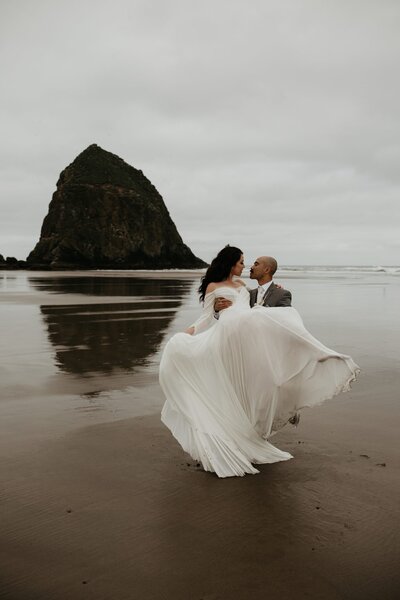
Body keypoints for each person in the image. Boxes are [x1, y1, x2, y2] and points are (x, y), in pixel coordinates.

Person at [159, 246, 359, 478]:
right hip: (225, 339)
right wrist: (189, 331)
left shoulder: (245, 288)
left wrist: (277, 291)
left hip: (246, 342)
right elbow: (206, 318)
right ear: (231, 263)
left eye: (249, 262)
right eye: (242, 262)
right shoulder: (214, 287)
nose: (245, 266)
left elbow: (261, 308)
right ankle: (232, 433)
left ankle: (318, 354)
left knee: (251, 381)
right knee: (230, 389)